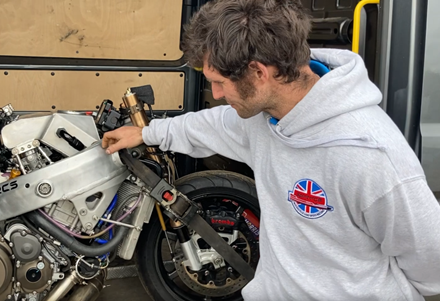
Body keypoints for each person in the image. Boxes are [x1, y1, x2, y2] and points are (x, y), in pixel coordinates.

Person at [102, 0, 440, 300]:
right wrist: (146, 132)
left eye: (219, 82)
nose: (216, 94)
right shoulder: (264, 118)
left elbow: (431, 266)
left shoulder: (370, 157)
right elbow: (212, 125)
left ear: (259, 73)